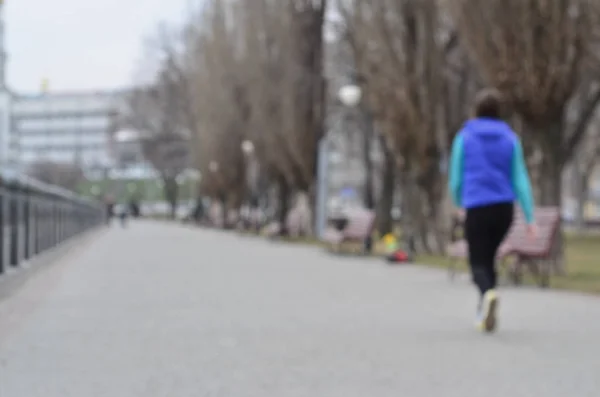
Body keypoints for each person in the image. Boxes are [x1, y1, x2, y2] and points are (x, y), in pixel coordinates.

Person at [448, 88, 536, 333]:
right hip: (503, 209)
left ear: (476, 111)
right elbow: (520, 178)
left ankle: (487, 294)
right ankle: (484, 310)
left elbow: (456, 178)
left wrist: (458, 202)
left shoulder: (464, 137)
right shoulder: (510, 139)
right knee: (490, 259)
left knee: (477, 261)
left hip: (477, 206)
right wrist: (530, 217)